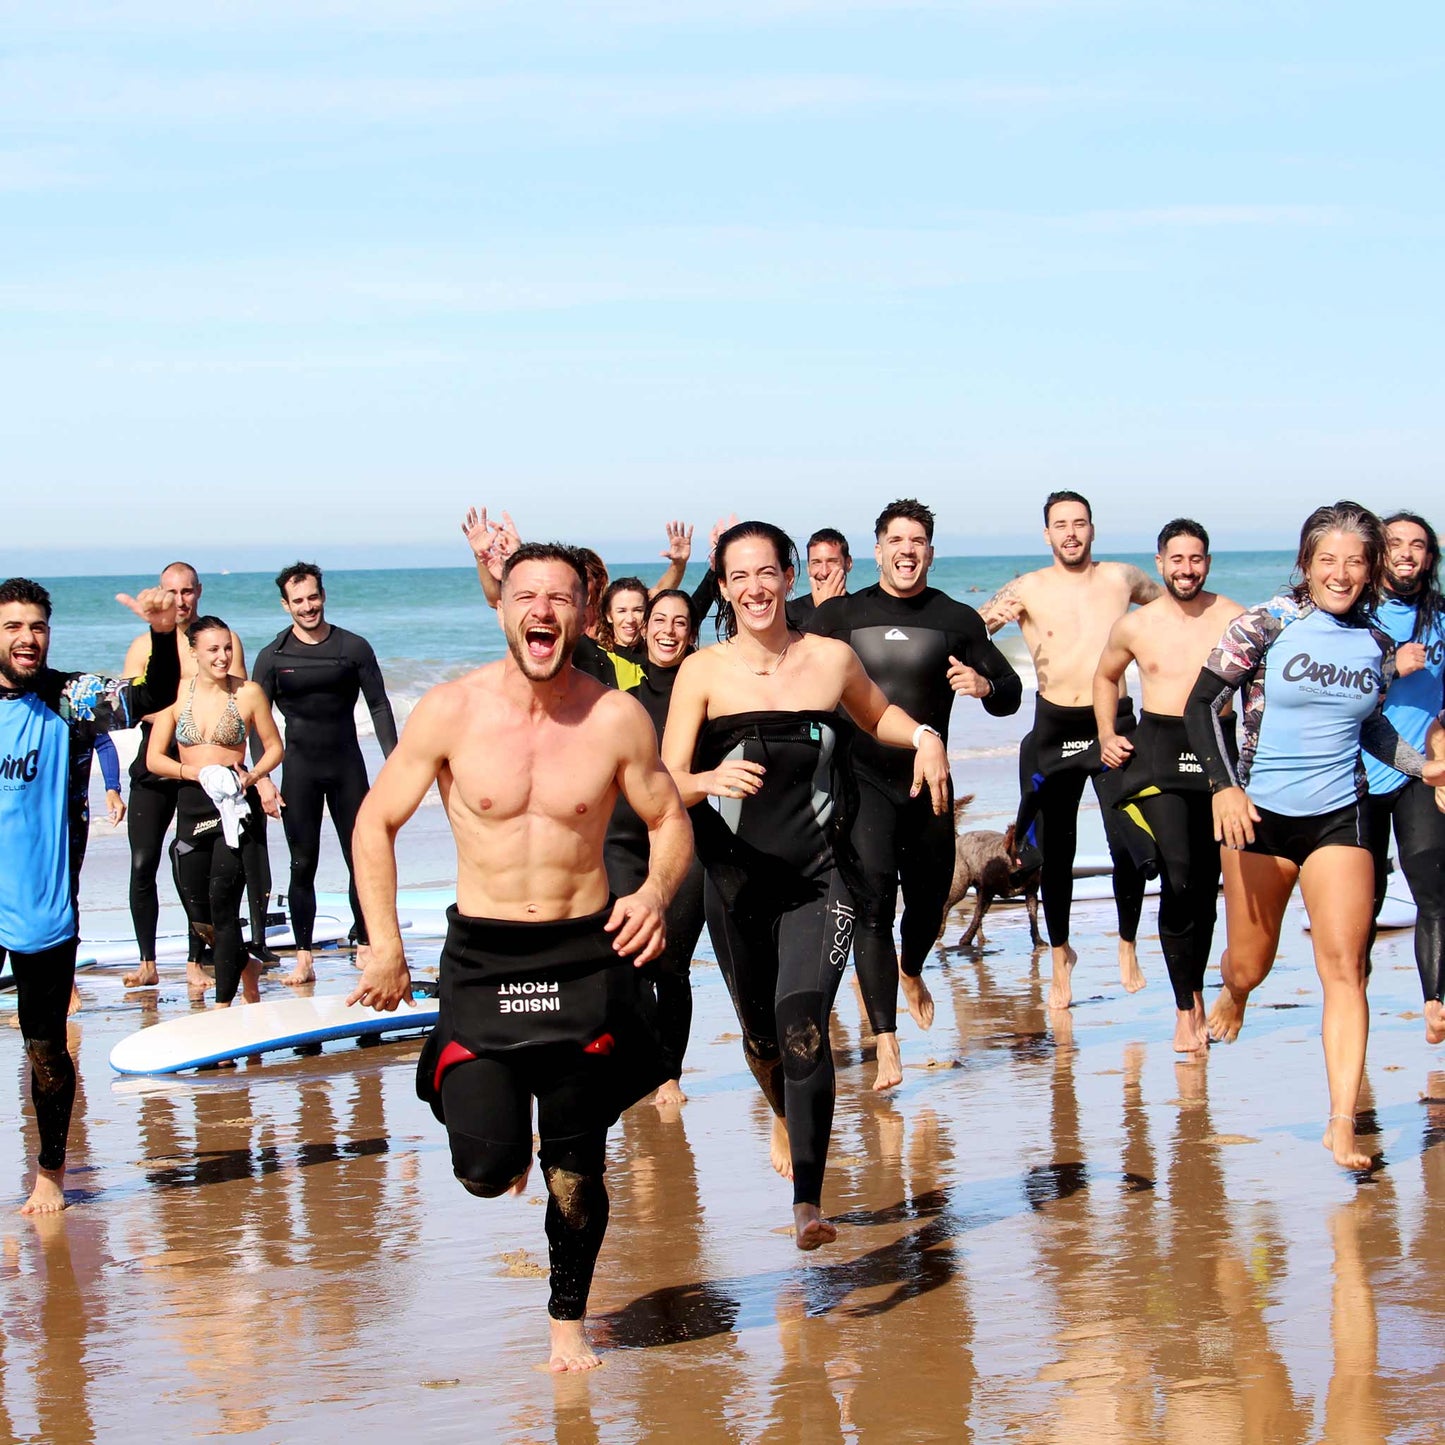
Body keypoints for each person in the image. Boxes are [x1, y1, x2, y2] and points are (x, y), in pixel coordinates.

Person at [347, 543, 692, 1373]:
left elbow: (669, 821)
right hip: (483, 956)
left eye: (561, 597)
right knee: (485, 1164)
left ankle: (566, 1322)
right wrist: (386, 942)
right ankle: (494, 1130)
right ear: (502, 608)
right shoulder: (449, 711)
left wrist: (649, 895)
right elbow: (373, 821)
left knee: (575, 1167)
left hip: (582, 955)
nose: (543, 609)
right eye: (526, 594)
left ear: (585, 612)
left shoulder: (615, 717)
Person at [661, 521, 950, 1250]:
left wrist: (924, 736)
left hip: (825, 874)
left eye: (768, 572)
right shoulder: (702, 671)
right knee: (763, 1038)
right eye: (739, 576)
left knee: (801, 1023)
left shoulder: (828, 657)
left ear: (788, 576)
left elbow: (875, 714)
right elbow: (660, 780)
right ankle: (786, 1112)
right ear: (723, 589)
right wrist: (706, 778)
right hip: (734, 880)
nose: (755, 587)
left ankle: (807, 1204)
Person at [1183, 501, 1445, 1170]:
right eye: (1327, 558)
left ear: (1371, 569)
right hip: (1258, 817)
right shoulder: (1265, 624)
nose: (1340, 571)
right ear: (1306, 562)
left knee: (1342, 966)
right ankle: (1235, 992)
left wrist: (1422, 766)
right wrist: (1224, 787)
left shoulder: (1375, 646)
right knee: (1252, 960)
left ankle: (1339, 1122)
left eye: (1355, 560)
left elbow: (1369, 728)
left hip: (1340, 816)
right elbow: (1200, 704)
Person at [808, 499, 1022, 1088]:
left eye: (918, 540)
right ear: (877, 550)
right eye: (896, 539)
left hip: (932, 785)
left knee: (928, 904)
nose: (907, 549)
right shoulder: (839, 618)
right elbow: (792, 678)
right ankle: (887, 1040)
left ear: (930, 551)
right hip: (864, 782)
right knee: (873, 903)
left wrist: (983, 684)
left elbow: (1010, 692)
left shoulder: (955, 619)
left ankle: (912, 967)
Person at [0, 577, 180, 1213]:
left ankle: (50, 1173)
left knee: (45, 1048)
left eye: (37, 627)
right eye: (13, 626)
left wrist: (163, 634)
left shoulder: (67, 700)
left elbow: (155, 694)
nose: (28, 638)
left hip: (41, 908)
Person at [980, 492, 1162, 1010]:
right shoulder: (1027, 588)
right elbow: (970, 630)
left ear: (1092, 529)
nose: (1071, 533)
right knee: (1054, 853)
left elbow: (1175, 607)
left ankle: (1126, 944)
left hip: (1115, 724)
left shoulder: (1123, 579)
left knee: (1127, 841)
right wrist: (981, 665)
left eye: (1079, 523)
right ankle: (1061, 956)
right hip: (1055, 727)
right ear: (1047, 535)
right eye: (1061, 525)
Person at [1092, 520, 1243, 1052]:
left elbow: (1264, 690)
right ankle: (1185, 1008)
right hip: (1159, 749)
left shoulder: (1235, 619)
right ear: (1159, 563)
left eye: (1196, 558)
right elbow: (1106, 676)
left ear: (1208, 561)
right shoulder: (1138, 625)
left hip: (1218, 753)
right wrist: (1108, 732)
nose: (1186, 569)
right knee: (1178, 877)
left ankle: (1196, 988)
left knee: (1205, 888)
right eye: (1176, 559)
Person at [119, 562, 268, 991]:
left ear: (198, 592)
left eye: (187, 591)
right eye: (172, 592)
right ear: (160, 593)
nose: (180, 600)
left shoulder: (218, 641)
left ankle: (196, 960)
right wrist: (179, 706)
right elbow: (137, 705)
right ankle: (147, 960)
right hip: (159, 759)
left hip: (212, 775)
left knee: (199, 862)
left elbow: (240, 706)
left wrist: (262, 777)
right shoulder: (144, 646)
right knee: (144, 861)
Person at [251, 563, 398, 985]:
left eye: (312, 597)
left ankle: (366, 943)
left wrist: (396, 763)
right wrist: (263, 778)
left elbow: (379, 706)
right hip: (300, 771)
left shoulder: (353, 647)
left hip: (347, 766)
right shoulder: (272, 657)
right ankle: (303, 956)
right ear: (286, 605)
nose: (307, 606)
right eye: (298, 600)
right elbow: (259, 724)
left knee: (362, 860)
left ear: (323, 595)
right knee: (302, 864)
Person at [604, 589, 708, 1106]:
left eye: (680, 622)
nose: (668, 630)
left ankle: (667, 1072)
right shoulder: (619, 679)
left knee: (671, 965)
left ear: (692, 633)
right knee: (628, 960)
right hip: (622, 840)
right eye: (658, 620)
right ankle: (633, 1061)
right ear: (643, 627)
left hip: (686, 841)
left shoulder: (704, 684)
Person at [147, 616, 284, 1008]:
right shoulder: (177, 694)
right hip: (192, 805)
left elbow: (275, 747)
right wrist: (193, 773)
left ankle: (223, 1007)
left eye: (227, 648)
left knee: (224, 904)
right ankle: (245, 965)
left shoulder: (249, 693)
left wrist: (253, 776)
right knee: (200, 913)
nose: (223, 656)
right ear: (194, 653)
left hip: (235, 808)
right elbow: (156, 758)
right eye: (213, 649)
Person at [1362, 512, 1445, 1044]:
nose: (1407, 554)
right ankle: (1353, 996)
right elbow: (1332, 694)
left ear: (1430, 559)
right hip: (1356, 775)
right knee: (1363, 902)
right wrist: (1392, 668)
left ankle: (1435, 1003)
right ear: (1378, 553)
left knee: (1434, 890)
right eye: (1396, 544)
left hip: (1421, 773)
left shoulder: (1440, 619)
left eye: (1418, 546)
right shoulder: (1354, 615)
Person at [787, 528, 854, 628]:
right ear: (808, 568)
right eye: (816, 563)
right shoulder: (789, 613)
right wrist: (824, 610)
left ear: (848, 564)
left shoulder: (862, 610)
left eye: (832, 561)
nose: (824, 572)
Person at [596, 577, 649, 689]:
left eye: (638, 610)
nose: (630, 619)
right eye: (621, 611)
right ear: (609, 616)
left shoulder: (658, 656)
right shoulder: (595, 655)